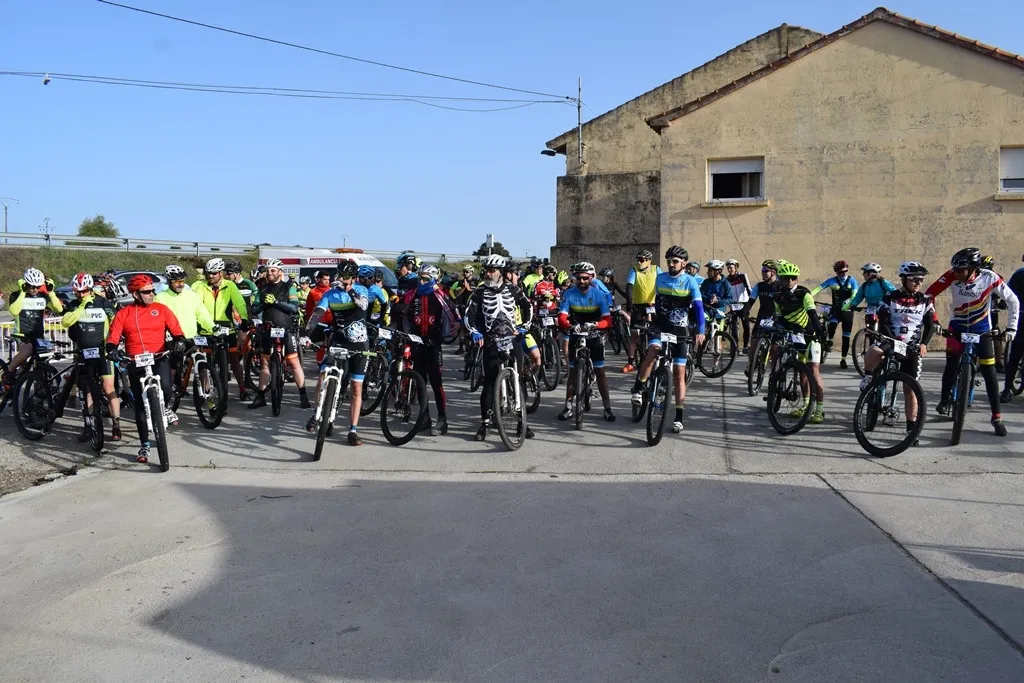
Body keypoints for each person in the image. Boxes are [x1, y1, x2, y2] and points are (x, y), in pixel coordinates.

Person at [927, 247, 1019, 436]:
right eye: (955, 269)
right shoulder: (952, 275)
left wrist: (1012, 328)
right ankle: (945, 399)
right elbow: (929, 295)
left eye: (961, 270)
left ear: (973, 269)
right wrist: (934, 321)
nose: (956, 273)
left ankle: (996, 416)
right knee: (951, 365)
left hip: (982, 331)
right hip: (957, 328)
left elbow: (1013, 301)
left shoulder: (989, 277)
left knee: (989, 373)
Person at [106, 274, 186, 464]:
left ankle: (165, 407)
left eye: (153, 291)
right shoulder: (124, 314)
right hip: (135, 361)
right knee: (141, 407)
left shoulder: (162, 309)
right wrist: (112, 349)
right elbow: (113, 338)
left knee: (166, 388)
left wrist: (180, 341)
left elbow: (177, 330)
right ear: (135, 294)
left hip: (159, 357)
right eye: (147, 292)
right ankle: (144, 444)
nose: (152, 294)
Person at [630, 246, 705, 433]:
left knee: (679, 372)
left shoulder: (690, 282)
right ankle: (638, 387)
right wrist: (650, 320)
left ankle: (678, 416)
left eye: (675, 261)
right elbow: (656, 303)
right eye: (669, 261)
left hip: (680, 330)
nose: (671, 264)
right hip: (660, 326)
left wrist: (700, 330)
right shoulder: (660, 278)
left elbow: (698, 308)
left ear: (683, 263)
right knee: (653, 352)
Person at [859, 261, 935, 446]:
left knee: (911, 389)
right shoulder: (890, 297)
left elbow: (930, 325)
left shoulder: (925, 299)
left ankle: (911, 429)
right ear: (904, 279)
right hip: (890, 339)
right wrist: (893, 340)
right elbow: (883, 321)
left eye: (920, 280)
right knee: (873, 352)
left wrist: (924, 344)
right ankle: (868, 377)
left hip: (911, 346)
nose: (918, 283)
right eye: (914, 279)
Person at [464, 254, 536, 441]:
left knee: (518, 380)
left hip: (513, 338)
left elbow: (528, 307)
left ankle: (522, 422)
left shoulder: (513, 289)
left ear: (501, 272)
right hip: (491, 341)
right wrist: (474, 331)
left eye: (492, 270)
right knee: (489, 382)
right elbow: (468, 314)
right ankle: (485, 423)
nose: (488, 274)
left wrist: (525, 326)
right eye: (486, 270)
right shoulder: (480, 292)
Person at [302, 261, 369, 445]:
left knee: (356, 388)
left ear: (353, 278)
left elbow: (363, 306)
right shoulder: (330, 294)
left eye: (345, 276)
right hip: (338, 340)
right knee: (322, 376)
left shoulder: (361, 290)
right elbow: (317, 314)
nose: (341, 279)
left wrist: (349, 290)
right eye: (339, 275)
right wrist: (306, 334)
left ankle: (353, 430)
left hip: (359, 344)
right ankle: (317, 414)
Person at [61, 272, 121, 442]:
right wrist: (82, 306)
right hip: (84, 354)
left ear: (90, 289)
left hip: (103, 353)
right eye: (78, 292)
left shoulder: (102, 302)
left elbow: (117, 322)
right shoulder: (74, 305)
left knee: (109, 388)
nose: (81, 294)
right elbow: (66, 322)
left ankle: (116, 424)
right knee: (87, 390)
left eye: (84, 291)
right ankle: (89, 426)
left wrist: (114, 343)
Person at [402, 263, 459, 436]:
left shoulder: (440, 294)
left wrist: (455, 328)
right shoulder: (411, 294)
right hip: (417, 344)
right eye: (419, 278)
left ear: (433, 279)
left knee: (436, 383)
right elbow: (403, 315)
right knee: (420, 382)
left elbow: (455, 314)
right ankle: (424, 418)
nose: (421, 281)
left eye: (425, 279)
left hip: (434, 344)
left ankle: (442, 419)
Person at [557, 261, 617, 422]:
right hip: (576, 332)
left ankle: (607, 408)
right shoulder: (569, 293)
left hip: (594, 334)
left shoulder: (598, 295)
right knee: (572, 372)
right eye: (579, 278)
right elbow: (562, 317)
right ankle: (568, 407)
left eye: (585, 278)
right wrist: (569, 326)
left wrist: (596, 325)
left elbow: (608, 320)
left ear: (591, 278)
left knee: (600, 372)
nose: (582, 281)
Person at [248, 259, 308, 410]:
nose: (270, 273)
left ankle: (303, 395)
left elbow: (294, 308)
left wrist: (276, 302)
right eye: (268, 270)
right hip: (268, 329)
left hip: (286, 329)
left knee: (294, 363)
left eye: (273, 270)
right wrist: (264, 304)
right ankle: (261, 396)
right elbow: (254, 309)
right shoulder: (262, 288)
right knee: (264, 364)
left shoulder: (289, 287)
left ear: (280, 272)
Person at [774, 261, 828, 423]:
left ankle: (819, 409)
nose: (789, 281)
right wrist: (788, 327)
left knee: (814, 370)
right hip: (796, 337)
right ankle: (805, 405)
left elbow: (812, 315)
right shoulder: (777, 296)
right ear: (781, 279)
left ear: (797, 278)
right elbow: (780, 318)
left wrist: (820, 333)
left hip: (811, 336)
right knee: (802, 372)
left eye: (793, 278)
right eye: (786, 278)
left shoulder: (804, 294)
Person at [192, 258, 251, 401]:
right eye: (208, 273)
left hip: (226, 329)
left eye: (213, 273)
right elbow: (195, 306)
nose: (210, 276)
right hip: (206, 328)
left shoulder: (230, 286)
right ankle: (206, 393)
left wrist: (244, 319)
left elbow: (239, 303)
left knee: (234, 361)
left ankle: (242, 389)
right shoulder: (200, 286)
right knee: (204, 363)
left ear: (221, 273)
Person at [155, 265, 215, 389]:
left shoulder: (191, 296)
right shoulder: (160, 298)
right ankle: (169, 393)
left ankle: (207, 393)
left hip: (192, 338)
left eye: (182, 281)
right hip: (172, 340)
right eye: (177, 281)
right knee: (173, 368)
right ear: (169, 281)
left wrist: (213, 328)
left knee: (202, 364)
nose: (181, 284)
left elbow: (202, 314)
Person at [4, 268, 64, 384]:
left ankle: (38, 387)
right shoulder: (16, 295)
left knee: (42, 361)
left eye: (38, 287)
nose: (35, 289)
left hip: (38, 334)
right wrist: (22, 292)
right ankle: (9, 373)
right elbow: (14, 311)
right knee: (27, 350)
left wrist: (51, 292)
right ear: (25, 284)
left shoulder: (43, 296)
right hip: (22, 334)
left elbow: (59, 309)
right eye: (32, 287)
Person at [811, 260, 859, 369]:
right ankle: (830, 341)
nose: (844, 274)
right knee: (832, 325)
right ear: (836, 272)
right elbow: (818, 288)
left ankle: (843, 359)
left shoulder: (852, 280)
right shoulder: (832, 281)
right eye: (841, 272)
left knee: (846, 337)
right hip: (836, 310)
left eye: (845, 271)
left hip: (847, 311)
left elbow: (854, 294)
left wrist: (848, 305)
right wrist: (809, 296)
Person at [623, 249, 662, 373]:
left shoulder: (656, 269)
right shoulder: (634, 270)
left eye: (642, 260)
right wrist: (629, 302)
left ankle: (658, 357)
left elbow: (662, 284)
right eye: (638, 260)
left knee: (656, 331)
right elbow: (629, 287)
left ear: (649, 261)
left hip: (653, 304)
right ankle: (630, 362)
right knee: (634, 335)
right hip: (638, 305)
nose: (639, 262)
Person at [739, 260, 781, 374]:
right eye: (762, 270)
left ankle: (774, 374)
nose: (762, 272)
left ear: (773, 272)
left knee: (774, 349)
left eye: (765, 270)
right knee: (753, 344)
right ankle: (751, 365)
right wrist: (744, 312)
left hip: (776, 319)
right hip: (762, 318)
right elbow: (750, 302)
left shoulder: (780, 286)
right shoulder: (759, 286)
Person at [724, 259, 752, 353]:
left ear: (736, 267)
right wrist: (729, 305)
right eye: (728, 268)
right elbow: (726, 293)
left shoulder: (743, 276)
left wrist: (749, 303)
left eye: (731, 268)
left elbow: (749, 289)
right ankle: (735, 347)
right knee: (734, 328)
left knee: (746, 326)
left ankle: (745, 346)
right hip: (734, 305)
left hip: (744, 304)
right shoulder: (727, 279)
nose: (729, 270)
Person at [700, 260, 733, 336]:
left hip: (719, 312)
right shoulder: (706, 282)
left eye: (710, 270)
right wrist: (709, 299)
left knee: (719, 336)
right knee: (702, 329)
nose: (707, 272)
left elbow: (729, 299)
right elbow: (700, 294)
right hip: (707, 311)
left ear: (717, 271)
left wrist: (717, 300)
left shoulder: (726, 284)